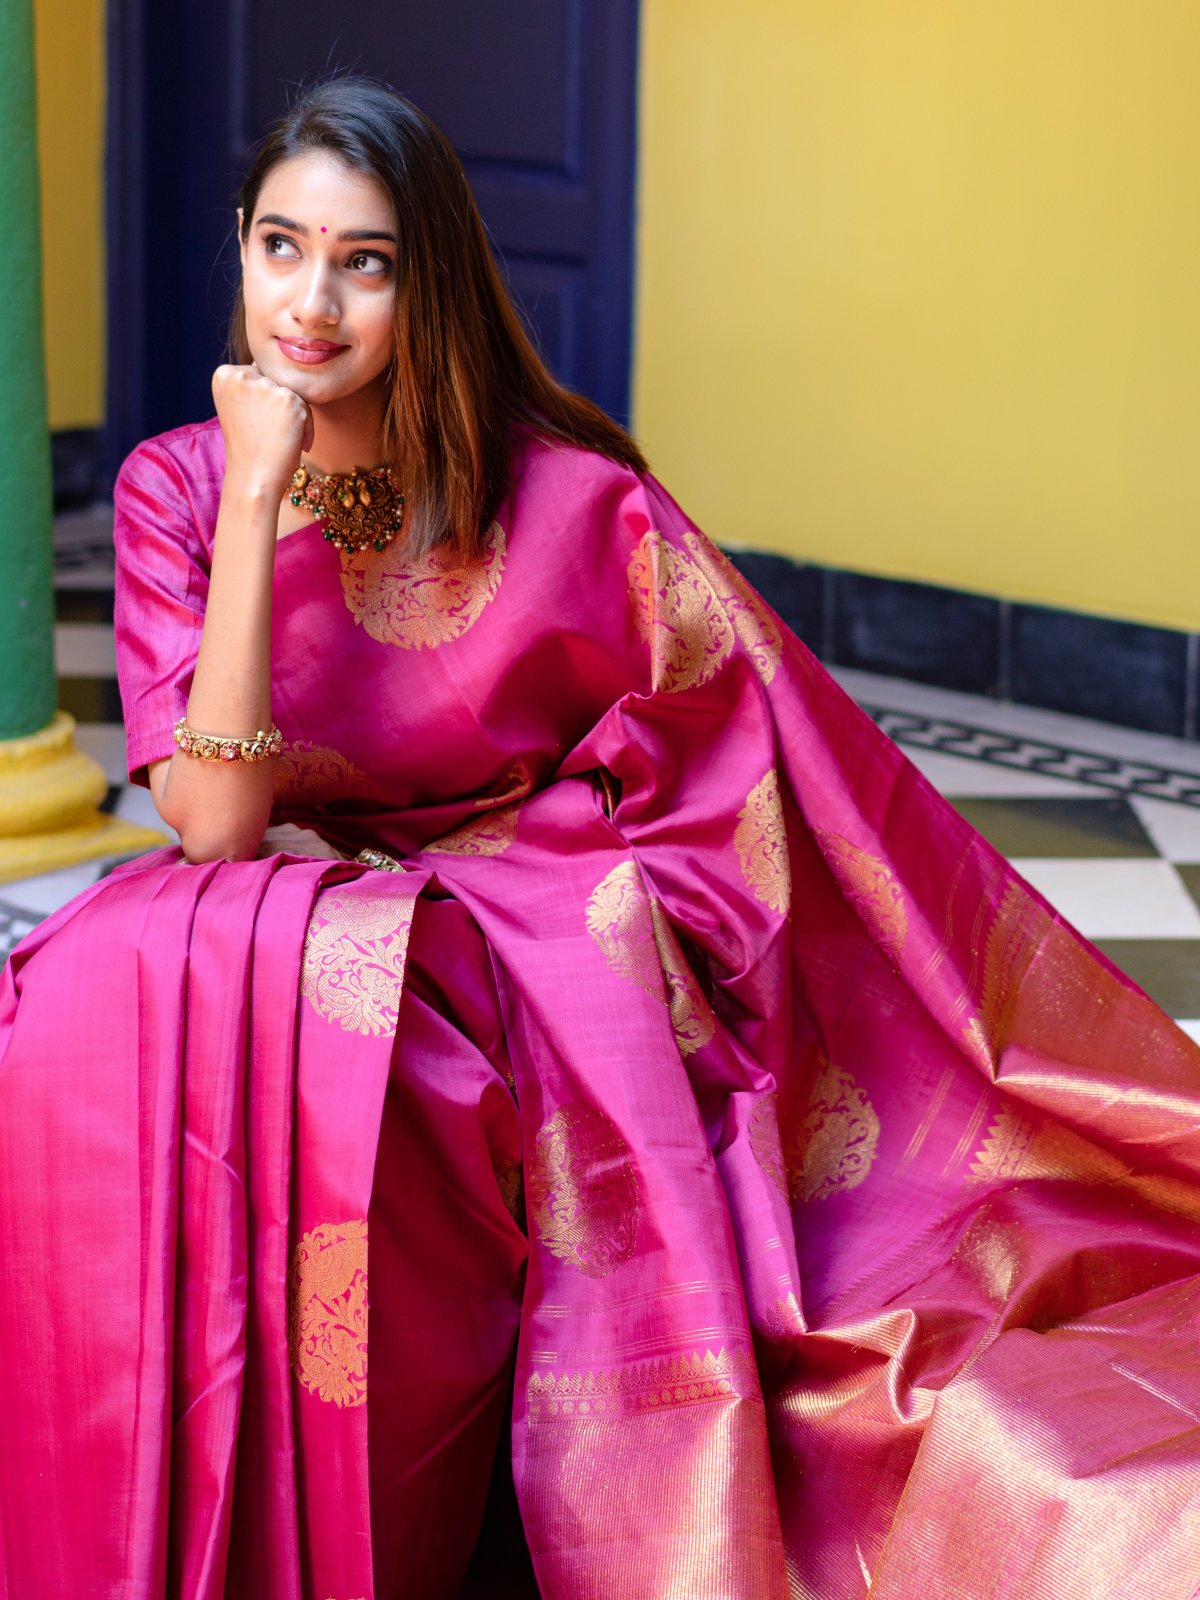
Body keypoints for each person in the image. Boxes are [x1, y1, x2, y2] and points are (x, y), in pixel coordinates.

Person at [1, 73, 1198, 1600]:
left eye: (364, 261)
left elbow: (747, 787)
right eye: (280, 248)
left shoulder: (570, 505)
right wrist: (257, 494)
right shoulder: (179, 486)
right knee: (98, 978)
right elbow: (217, 820)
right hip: (295, 919)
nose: (309, 302)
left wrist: (497, 895)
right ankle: (148, 1500)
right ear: (238, 248)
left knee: (304, 982)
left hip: (528, 933)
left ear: (427, 281)